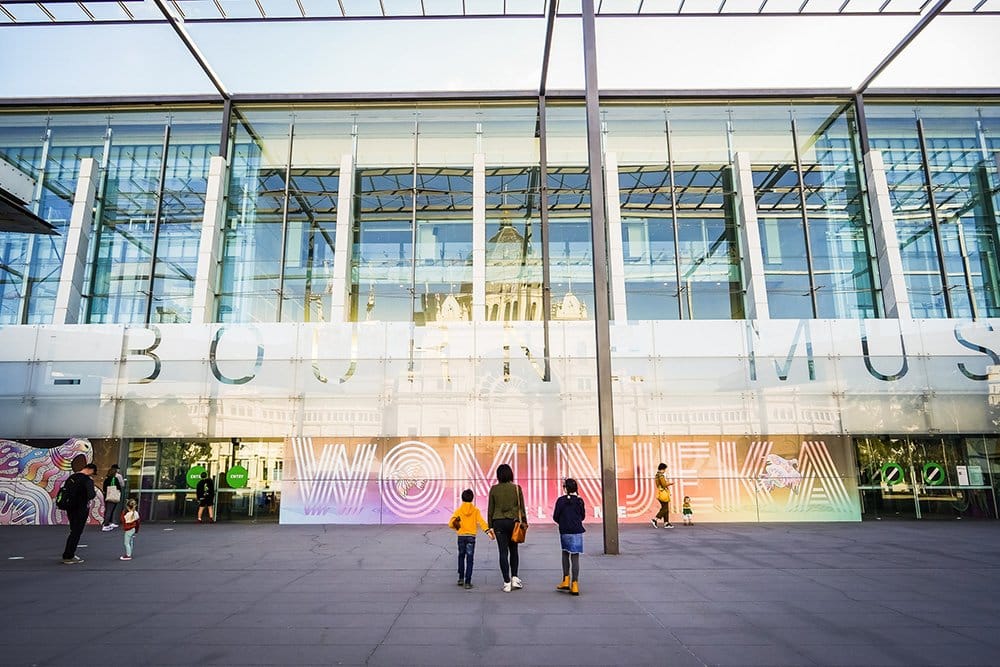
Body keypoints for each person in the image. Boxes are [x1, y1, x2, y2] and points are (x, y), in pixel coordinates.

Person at [487, 463, 527, 592]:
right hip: (513, 522)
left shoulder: (493, 489)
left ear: (498, 476)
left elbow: (490, 509)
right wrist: (524, 522)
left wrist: (490, 526)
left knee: (503, 552)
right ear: (510, 474)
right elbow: (521, 508)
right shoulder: (516, 488)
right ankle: (515, 578)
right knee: (514, 550)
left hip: (498, 522)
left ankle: (506, 582)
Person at [448, 489, 494, 590]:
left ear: (462, 498)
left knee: (461, 556)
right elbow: (481, 522)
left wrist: (457, 526)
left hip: (461, 536)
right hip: (471, 537)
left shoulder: (459, 510)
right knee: (470, 559)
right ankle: (468, 582)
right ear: (472, 498)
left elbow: (450, 524)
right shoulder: (476, 510)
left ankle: (460, 578)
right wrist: (488, 532)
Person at [552, 478, 585, 596]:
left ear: (566, 488)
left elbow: (555, 516)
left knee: (565, 553)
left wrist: (562, 522)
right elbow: (582, 516)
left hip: (565, 530)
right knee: (575, 556)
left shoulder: (560, 501)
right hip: (577, 530)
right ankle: (575, 584)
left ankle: (565, 579)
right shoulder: (580, 501)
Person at [61, 463, 97, 564]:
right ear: (90, 470)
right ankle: (68, 555)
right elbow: (91, 495)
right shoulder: (87, 480)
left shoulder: (72, 478)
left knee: (73, 530)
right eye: (93, 472)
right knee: (76, 532)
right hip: (81, 508)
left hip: (70, 507)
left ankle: (69, 554)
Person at [101, 464, 124, 531]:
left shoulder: (106, 479)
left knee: (108, 509)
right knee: (110, 510)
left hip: (107, 496)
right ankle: (106, 525)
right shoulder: (115, 478)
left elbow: (104, 488)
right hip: (113, 496)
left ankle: (106, 523)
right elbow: (120, 486)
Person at [652, 462, 674, 528]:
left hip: (660, 492)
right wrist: (670, 483)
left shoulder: (657, 475)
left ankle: (666, 523)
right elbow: (664, 484)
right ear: (662, 469)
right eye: (664, 469)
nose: (665, 471)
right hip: (663, 493)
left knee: (666, 508)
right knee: (665, 508)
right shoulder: (660, 475)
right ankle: (655, 519)